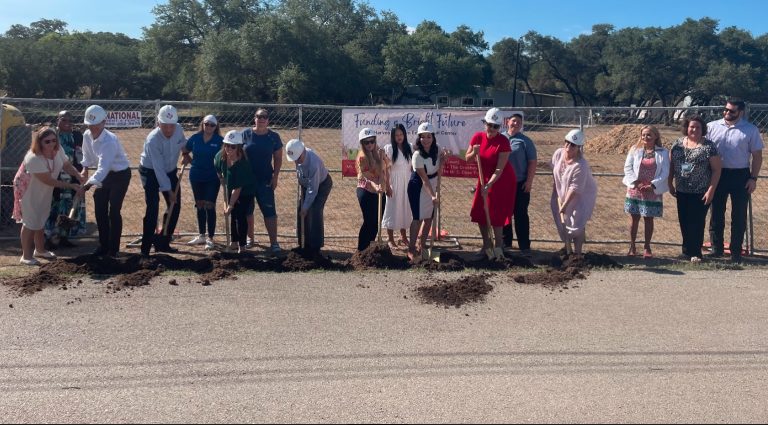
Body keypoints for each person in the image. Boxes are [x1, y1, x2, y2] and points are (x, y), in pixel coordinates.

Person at [706, 98, 764, 263]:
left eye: (732, 111)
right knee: (716, 213)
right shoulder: (712, 127)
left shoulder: (750, 130)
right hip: (718, 175)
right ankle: (716, 249)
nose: (727, 113)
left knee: (739, 215)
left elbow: (757, 156)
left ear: (741, 112)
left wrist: (753, 178)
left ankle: (736, 252)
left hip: (741, 175)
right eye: (725, 109)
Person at [19, 127, 84, 265]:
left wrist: (78, 176)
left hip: (45, 191)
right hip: (30, 191)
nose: (51, 144)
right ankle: (25, 256)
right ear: (39, 142)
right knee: (30, 222)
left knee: (41, 219)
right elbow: (49, 180)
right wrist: (72, 186)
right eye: (47, 141)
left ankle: (40, 250)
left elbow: (66, 165)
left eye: (54, 140)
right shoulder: (33, 157)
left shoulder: (57, 150)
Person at [80, 105, 132, 258]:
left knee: (114, 210)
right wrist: (84, 168)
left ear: (104, 122)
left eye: (96, 125)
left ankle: (113, 249)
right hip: (104, 175)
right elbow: (87, 155)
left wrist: (87, 185)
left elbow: (103, 167)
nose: (93, 128)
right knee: (99, 206)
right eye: (90, 125)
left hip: (120, 175)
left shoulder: (109, 140)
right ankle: (103, 245)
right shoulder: (86, 135)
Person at [138, 104, 189, 257]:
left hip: (170, 170)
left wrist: (185, 153)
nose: (168, 130)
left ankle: (163, 242)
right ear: (158, 123)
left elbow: (183, 142)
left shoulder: (178, 129)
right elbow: (158, 169)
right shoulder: (152, 140)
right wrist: (168, 190)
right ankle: (145, 250)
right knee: (153, 208)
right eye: (164, 126)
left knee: (175, 206)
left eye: (171, 126)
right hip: (150, 172)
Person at [669, 115, 721, 263]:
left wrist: (711, 190)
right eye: (692, 126)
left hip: (700, 191)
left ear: (702, 129)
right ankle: (686, 251)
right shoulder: (678, 144)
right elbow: (671, 165)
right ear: (687, 128)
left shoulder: (708, 146)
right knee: (684, 221)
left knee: (697, 222)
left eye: (698, 127)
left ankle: (696, 253)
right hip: (682, 191)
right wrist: (669, 183)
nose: (694, 129)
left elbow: (717, 170)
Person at [466, 108, 517, 258]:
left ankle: (498, 248)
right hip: (483, 178)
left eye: (496, 126)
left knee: (496, 214)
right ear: (485, 123)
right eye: (490, 125)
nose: (493, 129)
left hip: (501, 181)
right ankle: (486, 245)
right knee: (480, 211)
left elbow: (500, 168)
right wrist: (474, 152)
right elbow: (467, 157)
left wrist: (489, 185)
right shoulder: (477, 137)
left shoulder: (503, 142)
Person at [622, 125, 670, 258]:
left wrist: (652, 185)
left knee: (649, 218)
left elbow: (665, 171)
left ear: (655, 136)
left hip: (652, 191)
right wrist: (636, 182)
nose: (645, 137)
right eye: (643, 135)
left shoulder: (663, 152)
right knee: (634, 218)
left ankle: (647, 247)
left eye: (649, 135)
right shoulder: (634, 149)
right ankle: (632, 246)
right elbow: (628, 167)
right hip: (635, 189)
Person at [241, 108, 283, 254]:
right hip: (246, 180)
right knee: (247, 211)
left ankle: (274, 243)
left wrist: (275, 176)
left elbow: (278, 158)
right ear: (254, 118)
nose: (262, 119)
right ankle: (249, 238)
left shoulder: (274, 137)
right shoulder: (245, 134)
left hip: (265, 180)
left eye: (264, 117)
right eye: (259, 116)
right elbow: (235, 152)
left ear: (268, 120)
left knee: (269, 211)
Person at [550, 129, 598, 255]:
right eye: (567, 142)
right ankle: (567, 249)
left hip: (582, 194)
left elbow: (575, 188)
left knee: (577, 221)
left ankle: (577, 254)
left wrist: (565, 205)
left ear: (579, 147)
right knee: (562, 222)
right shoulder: (558, 154)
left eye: (573, 145)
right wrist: (556, 188)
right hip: (561, 191)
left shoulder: (580, 165)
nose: (568, 146)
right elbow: (555, 171)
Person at [44, 110, 86, 248]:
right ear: (58, 120)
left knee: (70, 207)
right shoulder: (52, 136)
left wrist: (82, 175)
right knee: (53, 207)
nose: (67, 123)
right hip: (55, 177)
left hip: (73, 177)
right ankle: (50, 239)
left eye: (70, 120)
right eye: (64, 120)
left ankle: (64, 237)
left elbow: (81, 156)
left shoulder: (77, 136)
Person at [286, 138, 333, 257]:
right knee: (300, 211)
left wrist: (306, 207)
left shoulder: (314, 163)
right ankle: (303, 243)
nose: (296, 162)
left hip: (321, 185)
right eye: (294, 159)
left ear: (302, 152)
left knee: (314, 210)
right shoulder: (299, 155)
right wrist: (303, 207)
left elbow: (313, 189)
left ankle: (315, 247)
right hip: (306, 184)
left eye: (297, 159)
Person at [407, 122, 446, 261]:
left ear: (433, 137)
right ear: (419, 138)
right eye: (423, 137)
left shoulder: (438, 149)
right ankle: (411, 248)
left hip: (433, 182)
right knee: (417, 218)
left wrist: (443, 160)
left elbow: (439, 169)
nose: (426, 140)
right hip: (417, 186)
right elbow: (424, 179)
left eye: (428, 136)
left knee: (429, 218)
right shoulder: (417, 155)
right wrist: (433, 195)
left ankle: (421, 245)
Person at [182, 115, 223, 250]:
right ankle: (201, 235)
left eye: (212, 125)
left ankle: (210, 238)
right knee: (199, 205)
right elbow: (185, 150)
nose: (209, 127)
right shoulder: (195, 138)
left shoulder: (219, 141)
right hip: (196, 176)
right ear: (202, 124)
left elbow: (226, 156)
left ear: (216, 127)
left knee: (209, 206)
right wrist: (187, 158)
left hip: (212, 177)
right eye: (207, 124)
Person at [502, 113, 537, 252]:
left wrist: (529, 182)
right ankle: (506, 244)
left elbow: (532, 162)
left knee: (520, 214)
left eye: (519, 122)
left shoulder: (525, 141)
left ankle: (524, 246)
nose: (516, 124)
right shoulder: (501, 138)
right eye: (514, 121)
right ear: (507, 122)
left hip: (520, 183)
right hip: (503, 185)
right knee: (505, 215)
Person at [215, 130, 255, 254]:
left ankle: (242, 247)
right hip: (231, 188)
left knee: (240, 216)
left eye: (232, 146)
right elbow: (216, 164)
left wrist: (230, 206)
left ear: (238, 147)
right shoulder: (220, 156)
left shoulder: (243, 164)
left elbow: (237, 189)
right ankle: (233, 242)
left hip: (245, 191)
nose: (229, 149)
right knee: (233, 216)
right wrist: (221, 177)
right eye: (226, 145)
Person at [382, 124, 413, 251]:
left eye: (401, 134)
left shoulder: (410, 147)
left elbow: (411, 166)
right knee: (392, 208)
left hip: (407, 181)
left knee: (405, 208)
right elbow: (386, 170)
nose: (399, 137)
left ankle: (403, 236)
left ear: (404, 135)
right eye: (396, 135)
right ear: (393, 137)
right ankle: (390, 238)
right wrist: (388, 186)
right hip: (394, 182)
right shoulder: (389, 149)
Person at [356, 127, 386, 251]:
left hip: (379, 190)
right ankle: (361, 250)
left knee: (376, 222)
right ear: (362, 143)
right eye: (366, 142)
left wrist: (383, 158)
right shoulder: (362, 157)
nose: (370, 145)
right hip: (366, 191)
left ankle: (369, 250)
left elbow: (387, 168)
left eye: (372, 141)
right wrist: (376, 186)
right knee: (369, 221)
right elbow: (366, 176)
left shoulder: (379, 152)